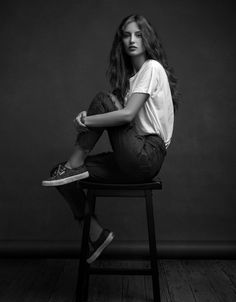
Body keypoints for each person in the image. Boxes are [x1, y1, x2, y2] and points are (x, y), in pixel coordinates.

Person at [42, 14, 179, 264]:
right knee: (59, 176)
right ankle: (96, 234)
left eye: (138, 34)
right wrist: (89, 117)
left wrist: (85, 121)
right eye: (127, 35)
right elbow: (115, 114)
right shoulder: (129, 83)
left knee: (102, 100)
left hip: (147, 154)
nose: (132, 40)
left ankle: (71, 166)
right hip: (130, 157)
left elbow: (126, 116)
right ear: (121, 42)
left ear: (147, 38)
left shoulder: (152, 67)